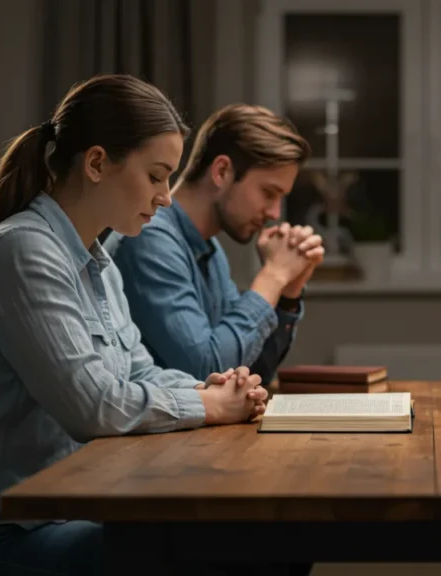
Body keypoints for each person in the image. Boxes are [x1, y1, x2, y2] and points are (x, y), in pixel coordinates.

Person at [0, 74, 267, 576]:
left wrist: (208, 387)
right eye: (156, 175)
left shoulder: (98, 262)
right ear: (98, 163)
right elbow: (92, 406)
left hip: (52, 518)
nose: (166, 196)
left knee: (242, 543)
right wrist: (209, 405)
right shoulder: (21, 251)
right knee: (209, 551)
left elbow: (139, 374)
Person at [108, 104, 323, 385]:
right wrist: (273, 276)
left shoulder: (210, 250)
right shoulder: (150, 237)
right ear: (222, 171)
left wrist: (288, 293)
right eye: (269, 193)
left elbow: (250, 372)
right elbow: (207, 370)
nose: (274, 213)